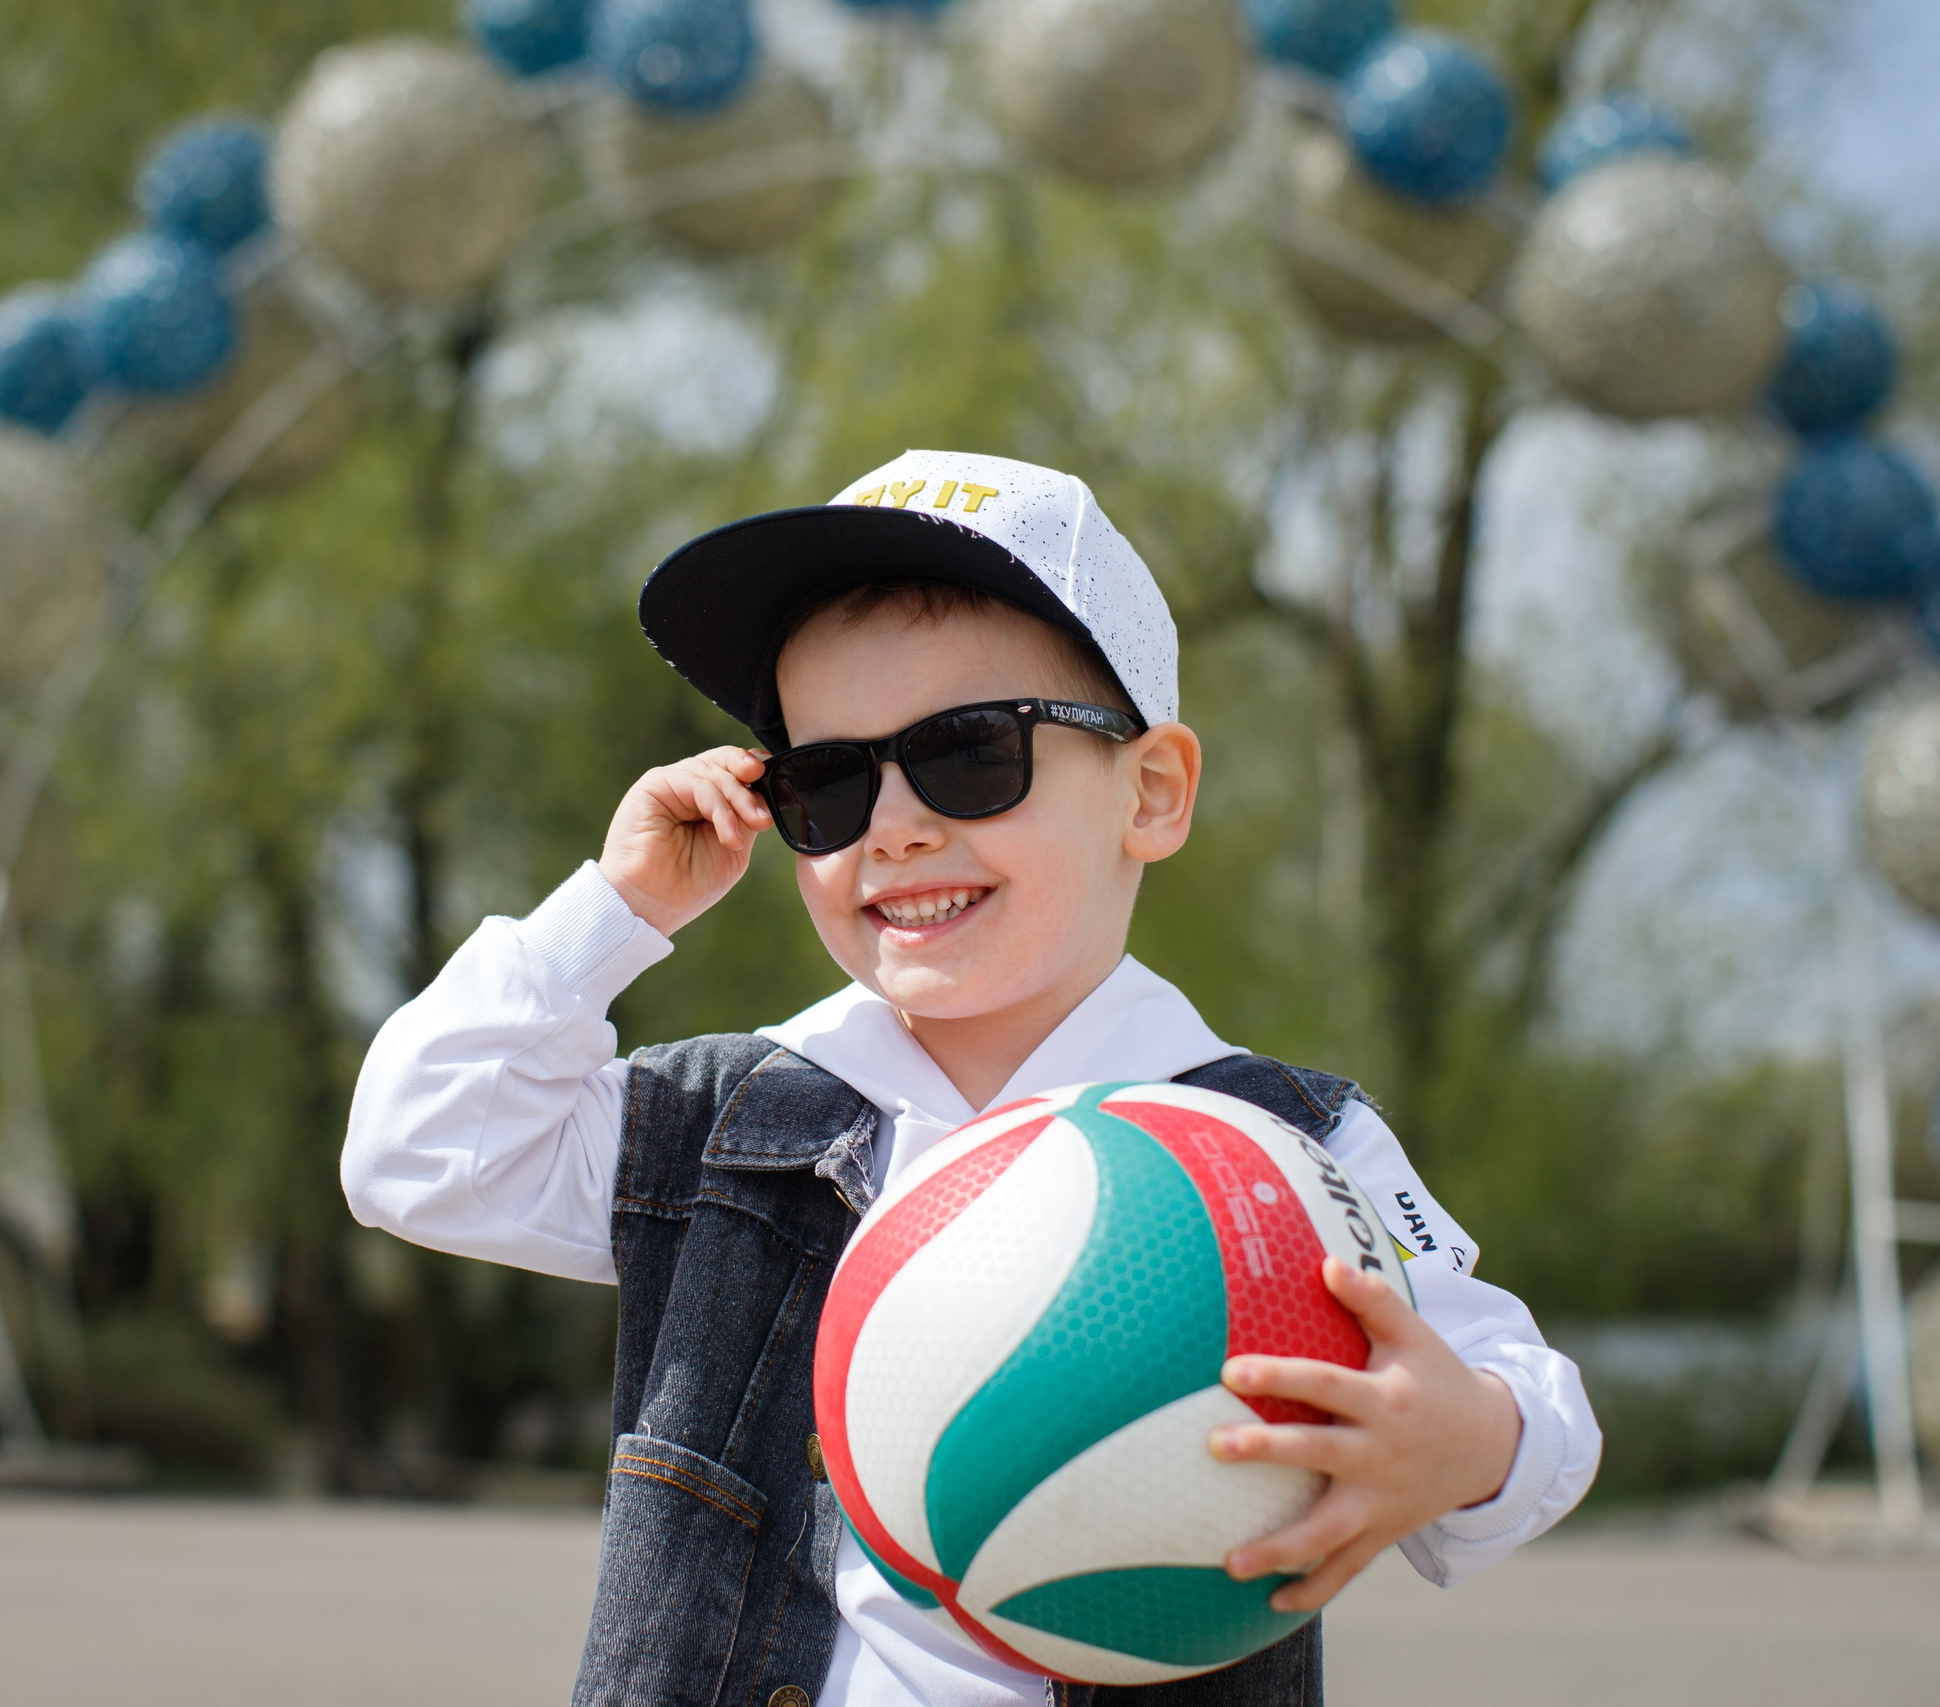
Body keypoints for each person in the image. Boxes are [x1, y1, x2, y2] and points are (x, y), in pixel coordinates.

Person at [342, 450, 1600, 1707]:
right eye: (825, 783)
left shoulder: (1281, 1150)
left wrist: (1464, 1441)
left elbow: (1527, 1403)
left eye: (969, 754)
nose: (894, 828)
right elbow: (414, 1151)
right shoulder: (729, 1123)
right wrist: (615, 909)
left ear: (1151, 792)